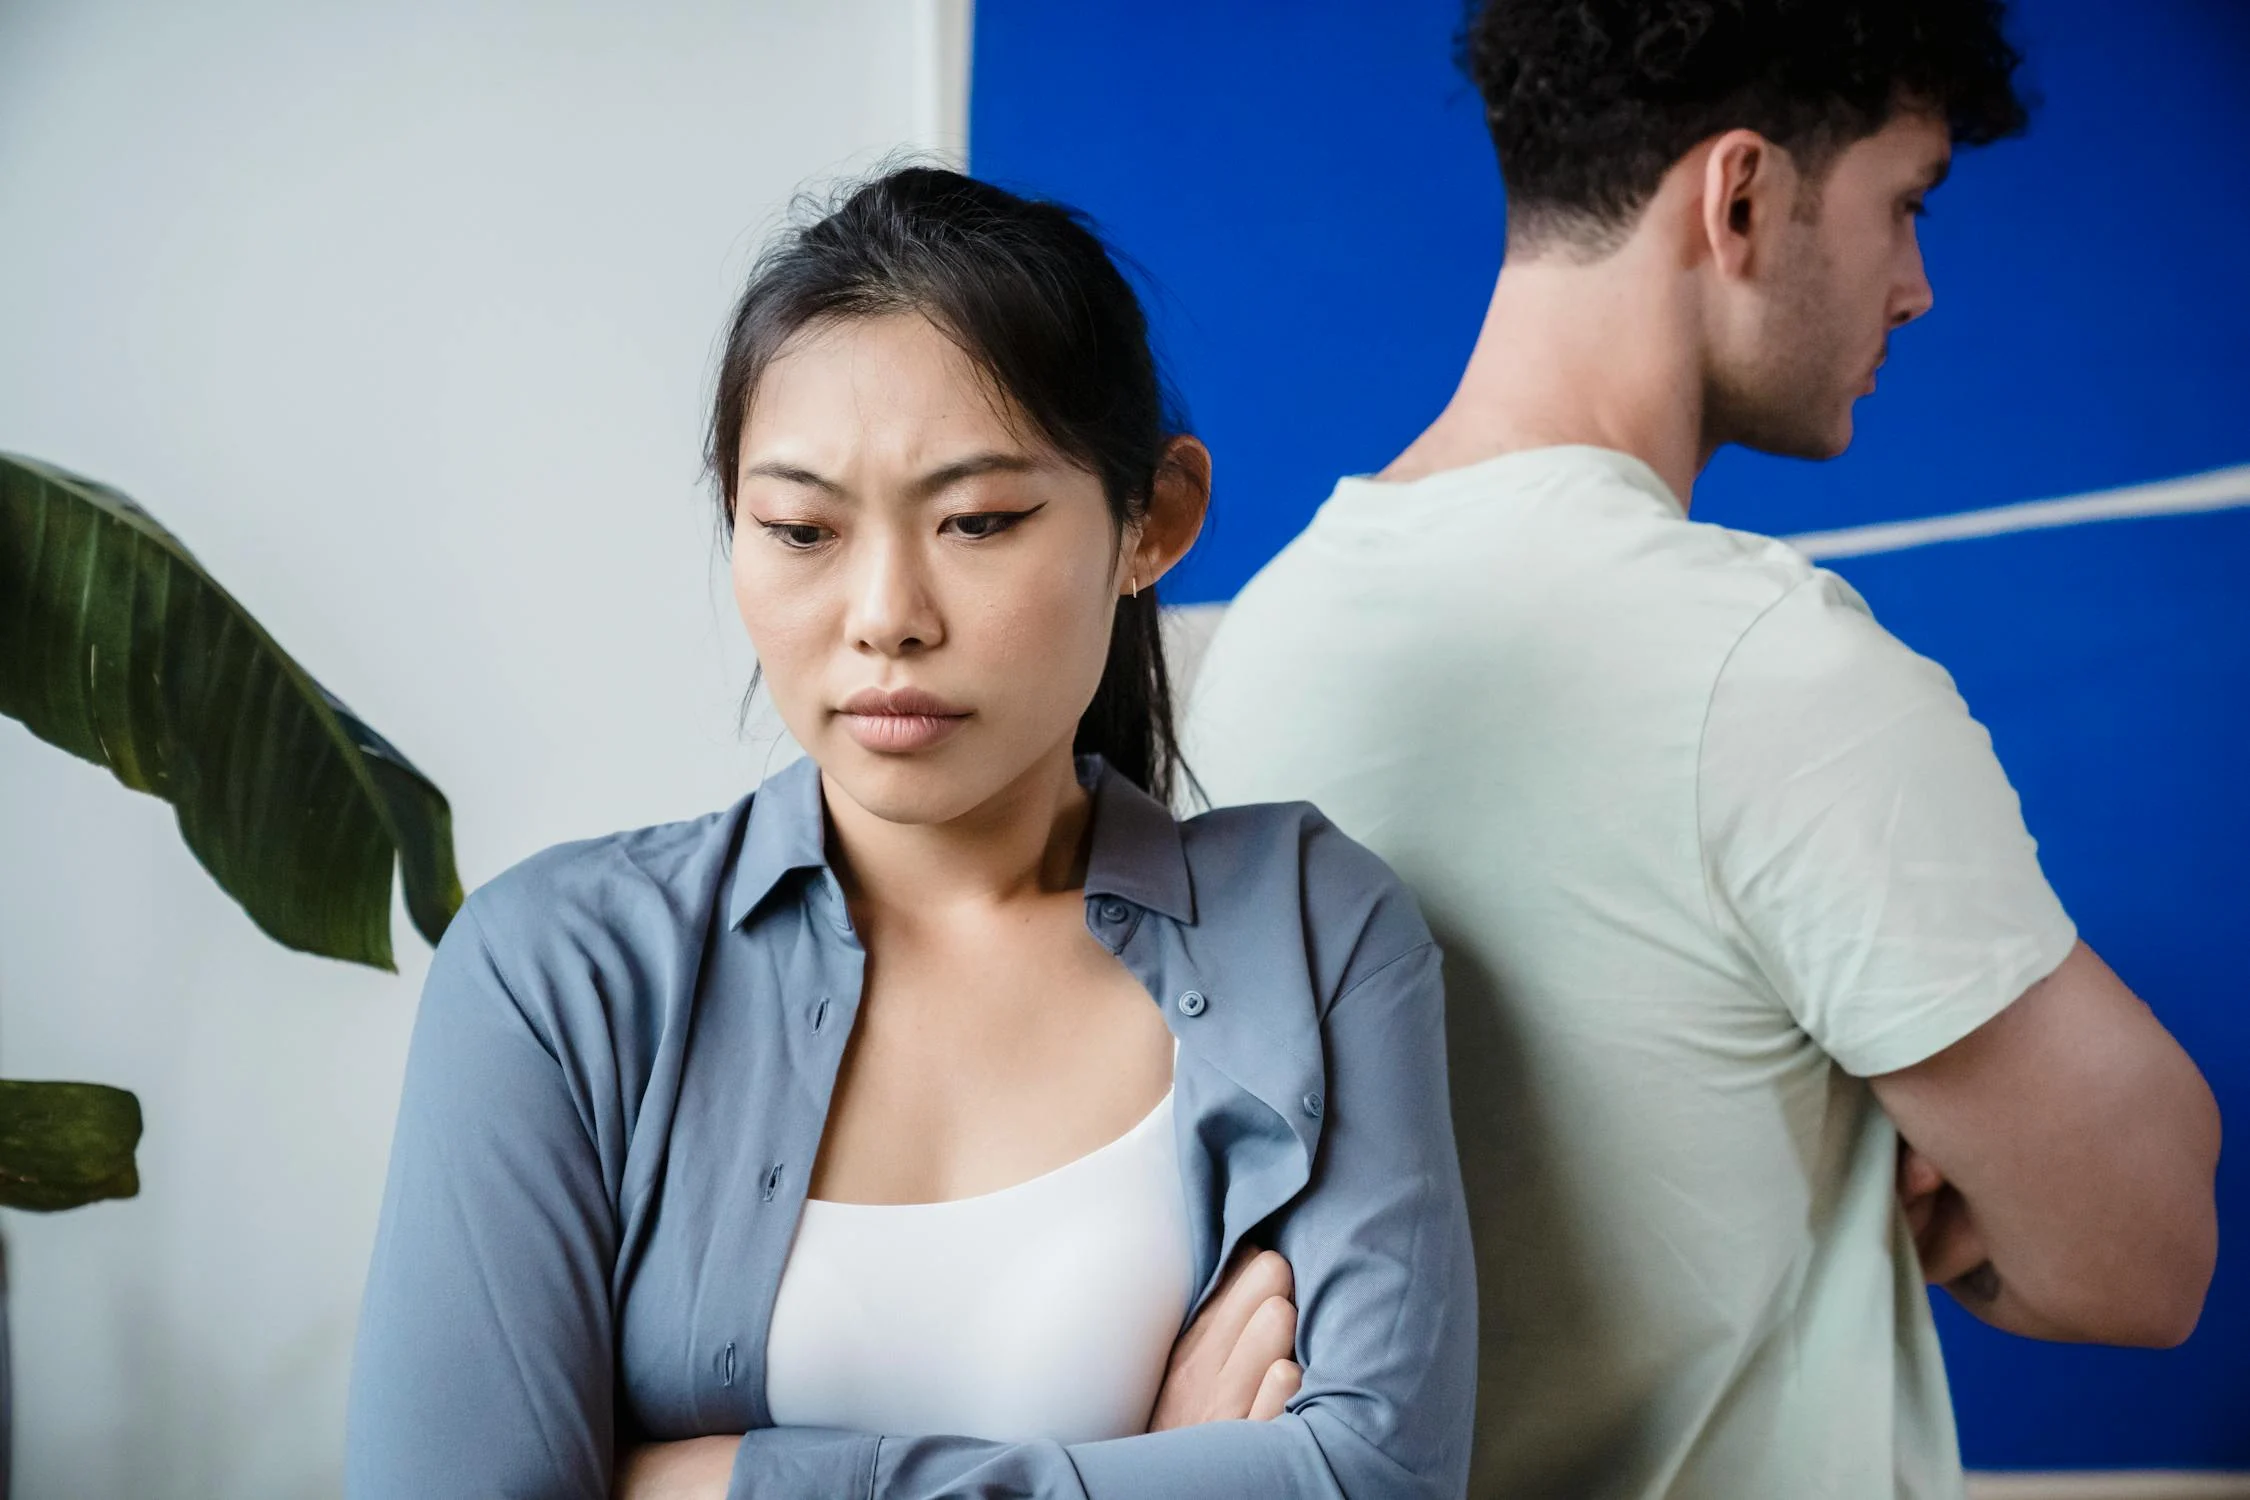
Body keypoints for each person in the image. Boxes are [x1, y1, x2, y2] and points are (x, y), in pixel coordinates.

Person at [1183, 3, 2222, 1497]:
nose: (1915, 287)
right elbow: (2145, 1256)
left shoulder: (1266, 638)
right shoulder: (1766, 666)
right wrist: (1911, 1149)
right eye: (1902, 204)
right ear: (1738, 197)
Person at [344, 166, 1477, 1500]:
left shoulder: (1312, 929)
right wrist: (1148, 1474)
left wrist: (709, 1484)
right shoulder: (555, 973)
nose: (885, 612)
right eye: (800, 529)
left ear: (1151, 522)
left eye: (977, 521)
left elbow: (1379, 1481)